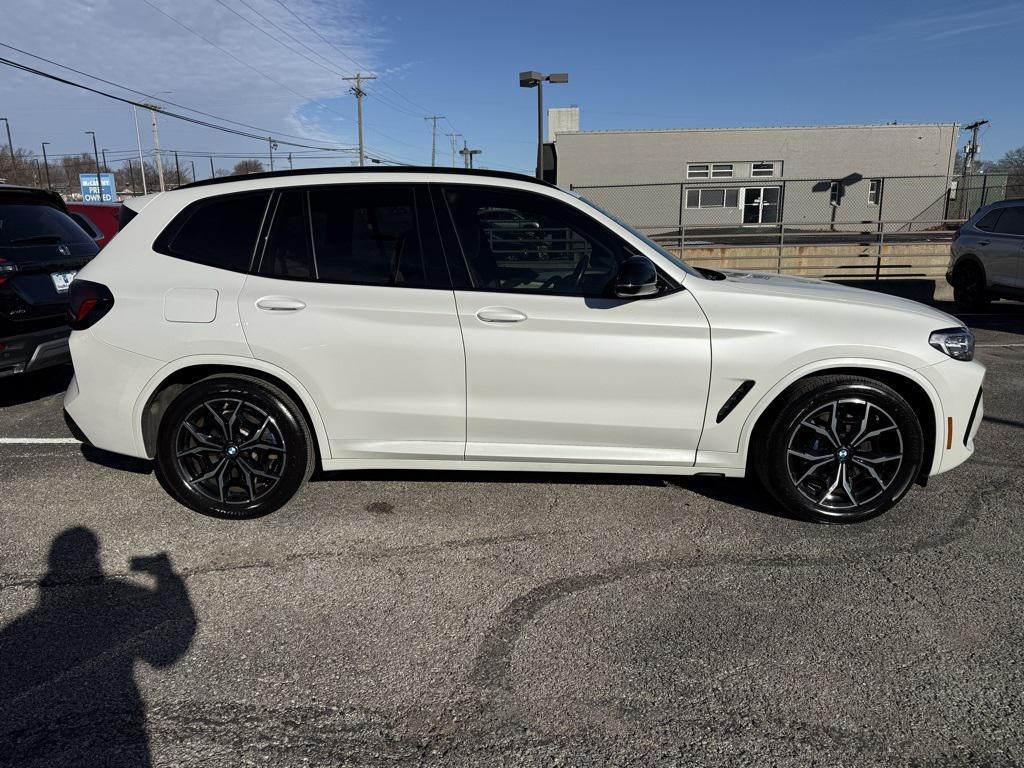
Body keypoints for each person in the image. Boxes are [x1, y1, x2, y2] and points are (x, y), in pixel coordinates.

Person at [0, 527, 196, 767]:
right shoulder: (123, 593)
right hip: (116, 732)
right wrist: (166, 575)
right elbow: (167, 655)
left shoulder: (17, 630)